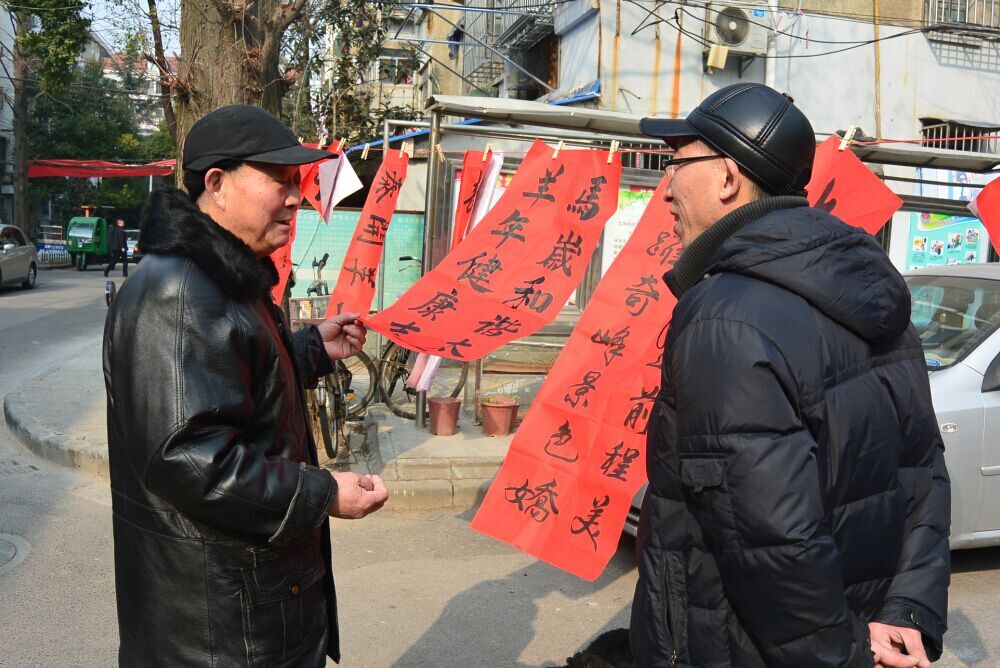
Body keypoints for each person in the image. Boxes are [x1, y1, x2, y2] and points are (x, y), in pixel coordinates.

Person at [630, 83, 950, 667]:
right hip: (862, 625)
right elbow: (925, 474)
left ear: (728, 178)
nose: (666, 188)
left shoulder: (724, 316)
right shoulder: (874, 290)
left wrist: (846, 652)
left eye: (677, 164)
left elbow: (768, 537)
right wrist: (906, 609)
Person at [103, 104, 388, 667]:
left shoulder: (227, 276)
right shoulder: (178, 293)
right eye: (278, 180)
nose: (295, 197)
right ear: (217, 184)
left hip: (252, 601)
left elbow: (234, 380)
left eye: (297, 181)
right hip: (219, 629)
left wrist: (310, 348)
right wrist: (322, 493)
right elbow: (191, 459)